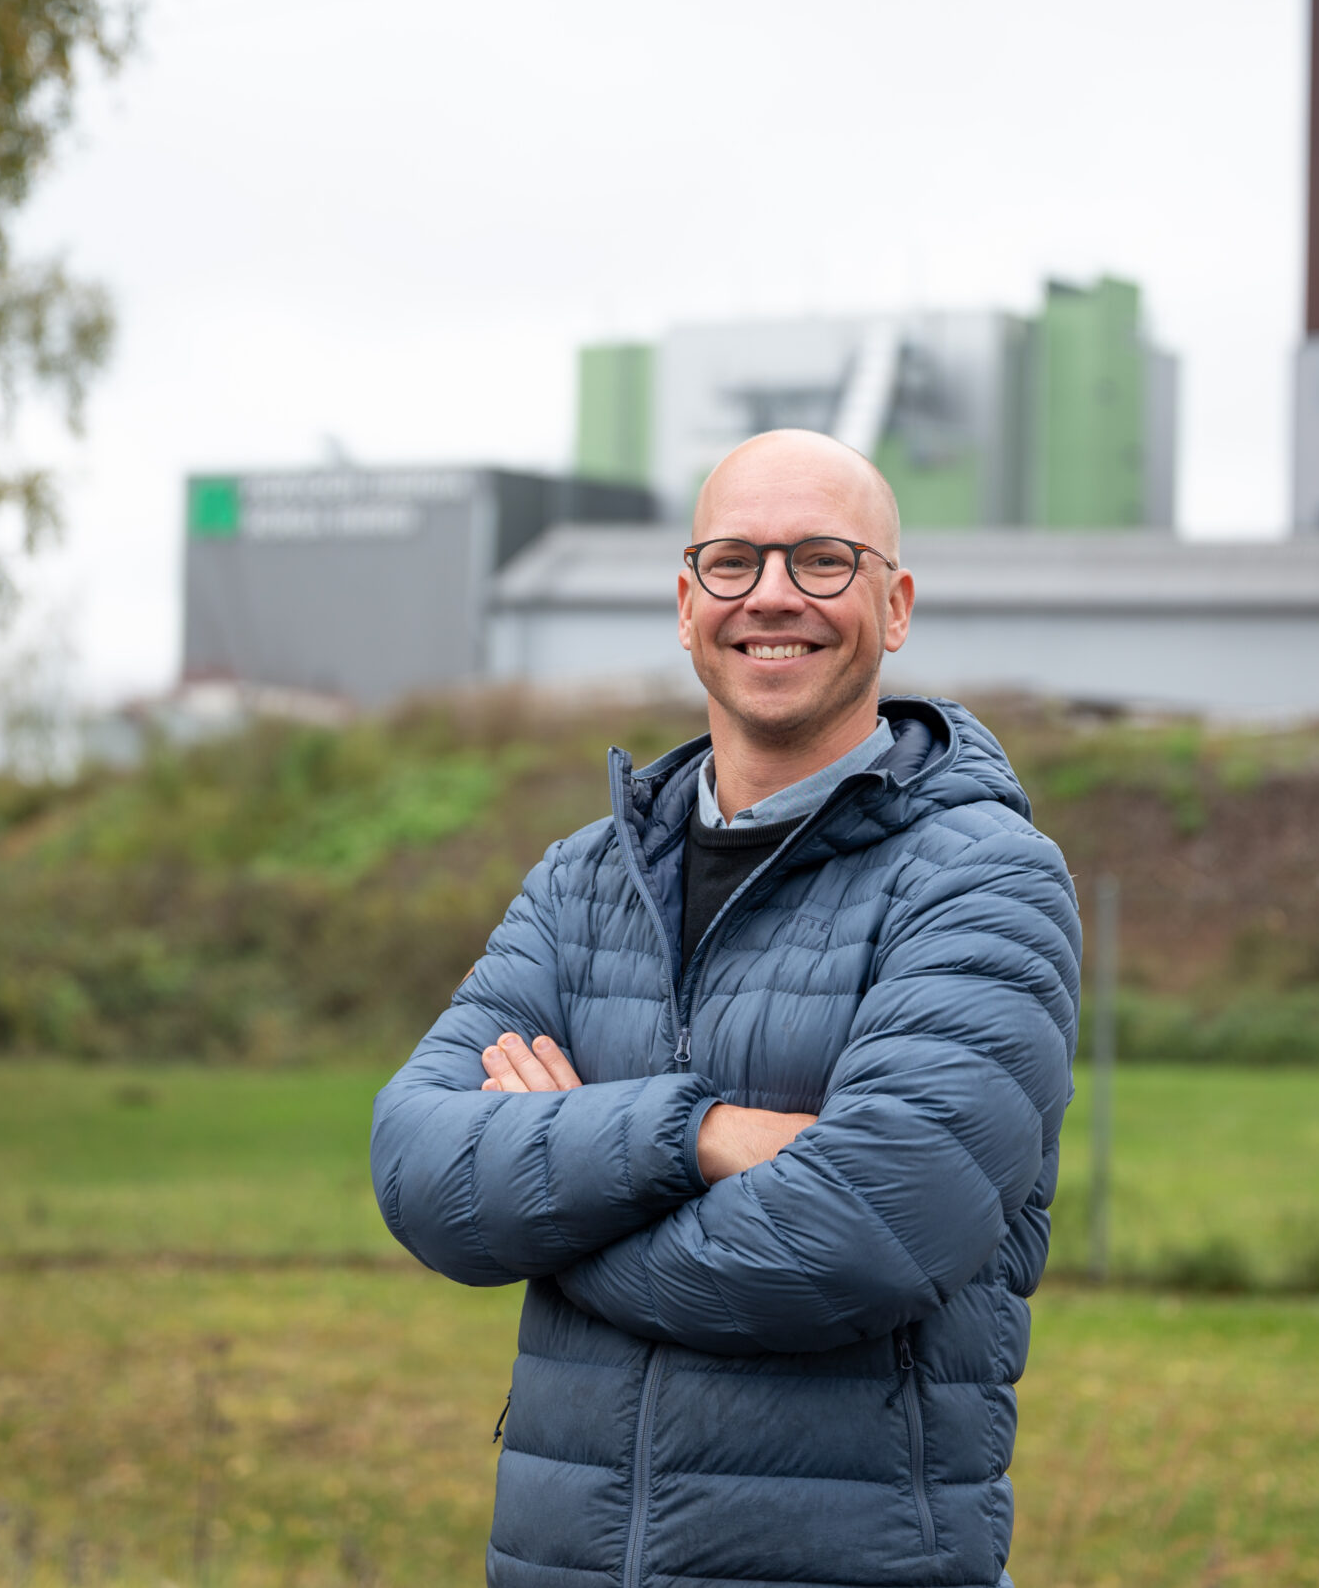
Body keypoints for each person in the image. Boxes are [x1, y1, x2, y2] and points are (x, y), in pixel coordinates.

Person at [371, 429, 1081, 1588]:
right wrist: (695, 1135)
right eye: (734, 560)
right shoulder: (582, 880)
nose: (772, 595)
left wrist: (561, 1219)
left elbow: (863, 1231)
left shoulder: (981, 878)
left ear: (894, 605)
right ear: (687, 601)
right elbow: (418, 1163)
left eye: (822, 560)